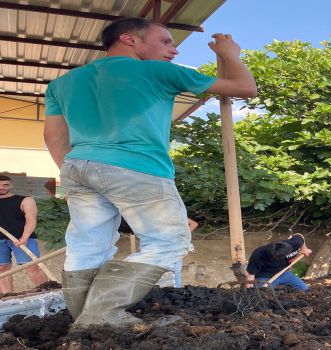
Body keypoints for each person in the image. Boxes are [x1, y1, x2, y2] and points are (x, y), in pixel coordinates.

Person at [43, 17, 256, 326]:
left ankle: (88, 323)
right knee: (169, 241)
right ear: (130, 39)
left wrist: (77, 170)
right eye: (166, 41)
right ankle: (100, 315)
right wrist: (230, 54)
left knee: (88, 245)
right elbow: (245, 88)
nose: (174, 50)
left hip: (77, 166)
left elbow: (53, 137)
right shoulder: (157, 71)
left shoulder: (64, 83)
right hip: (137, 165)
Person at [0, 175, 49, 293]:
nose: (2, 188)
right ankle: (9, 298)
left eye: (5, 185)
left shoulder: (25, 200)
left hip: (22, 238)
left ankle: (48, 292)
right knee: (2, 269)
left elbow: (31, 219)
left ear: (10, 185)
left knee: (32, 266)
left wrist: (25, 236)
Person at [118, 216, 198, 287]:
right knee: (159, 276)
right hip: (156, 251)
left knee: (173, 274)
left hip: (171, 250)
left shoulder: (170, 214)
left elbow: (193, 224)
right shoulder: (149, 218)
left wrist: (179, 236)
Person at [246, 233, 312, 292]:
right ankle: (278, 288)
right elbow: (251, 275)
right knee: (263, 295)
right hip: (264, 277)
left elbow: (299, 236)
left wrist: (304, 248)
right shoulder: (258, 254)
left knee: (305, 289)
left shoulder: (293, 243)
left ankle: (284, 287)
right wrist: (249, 290)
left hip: (284, 273)